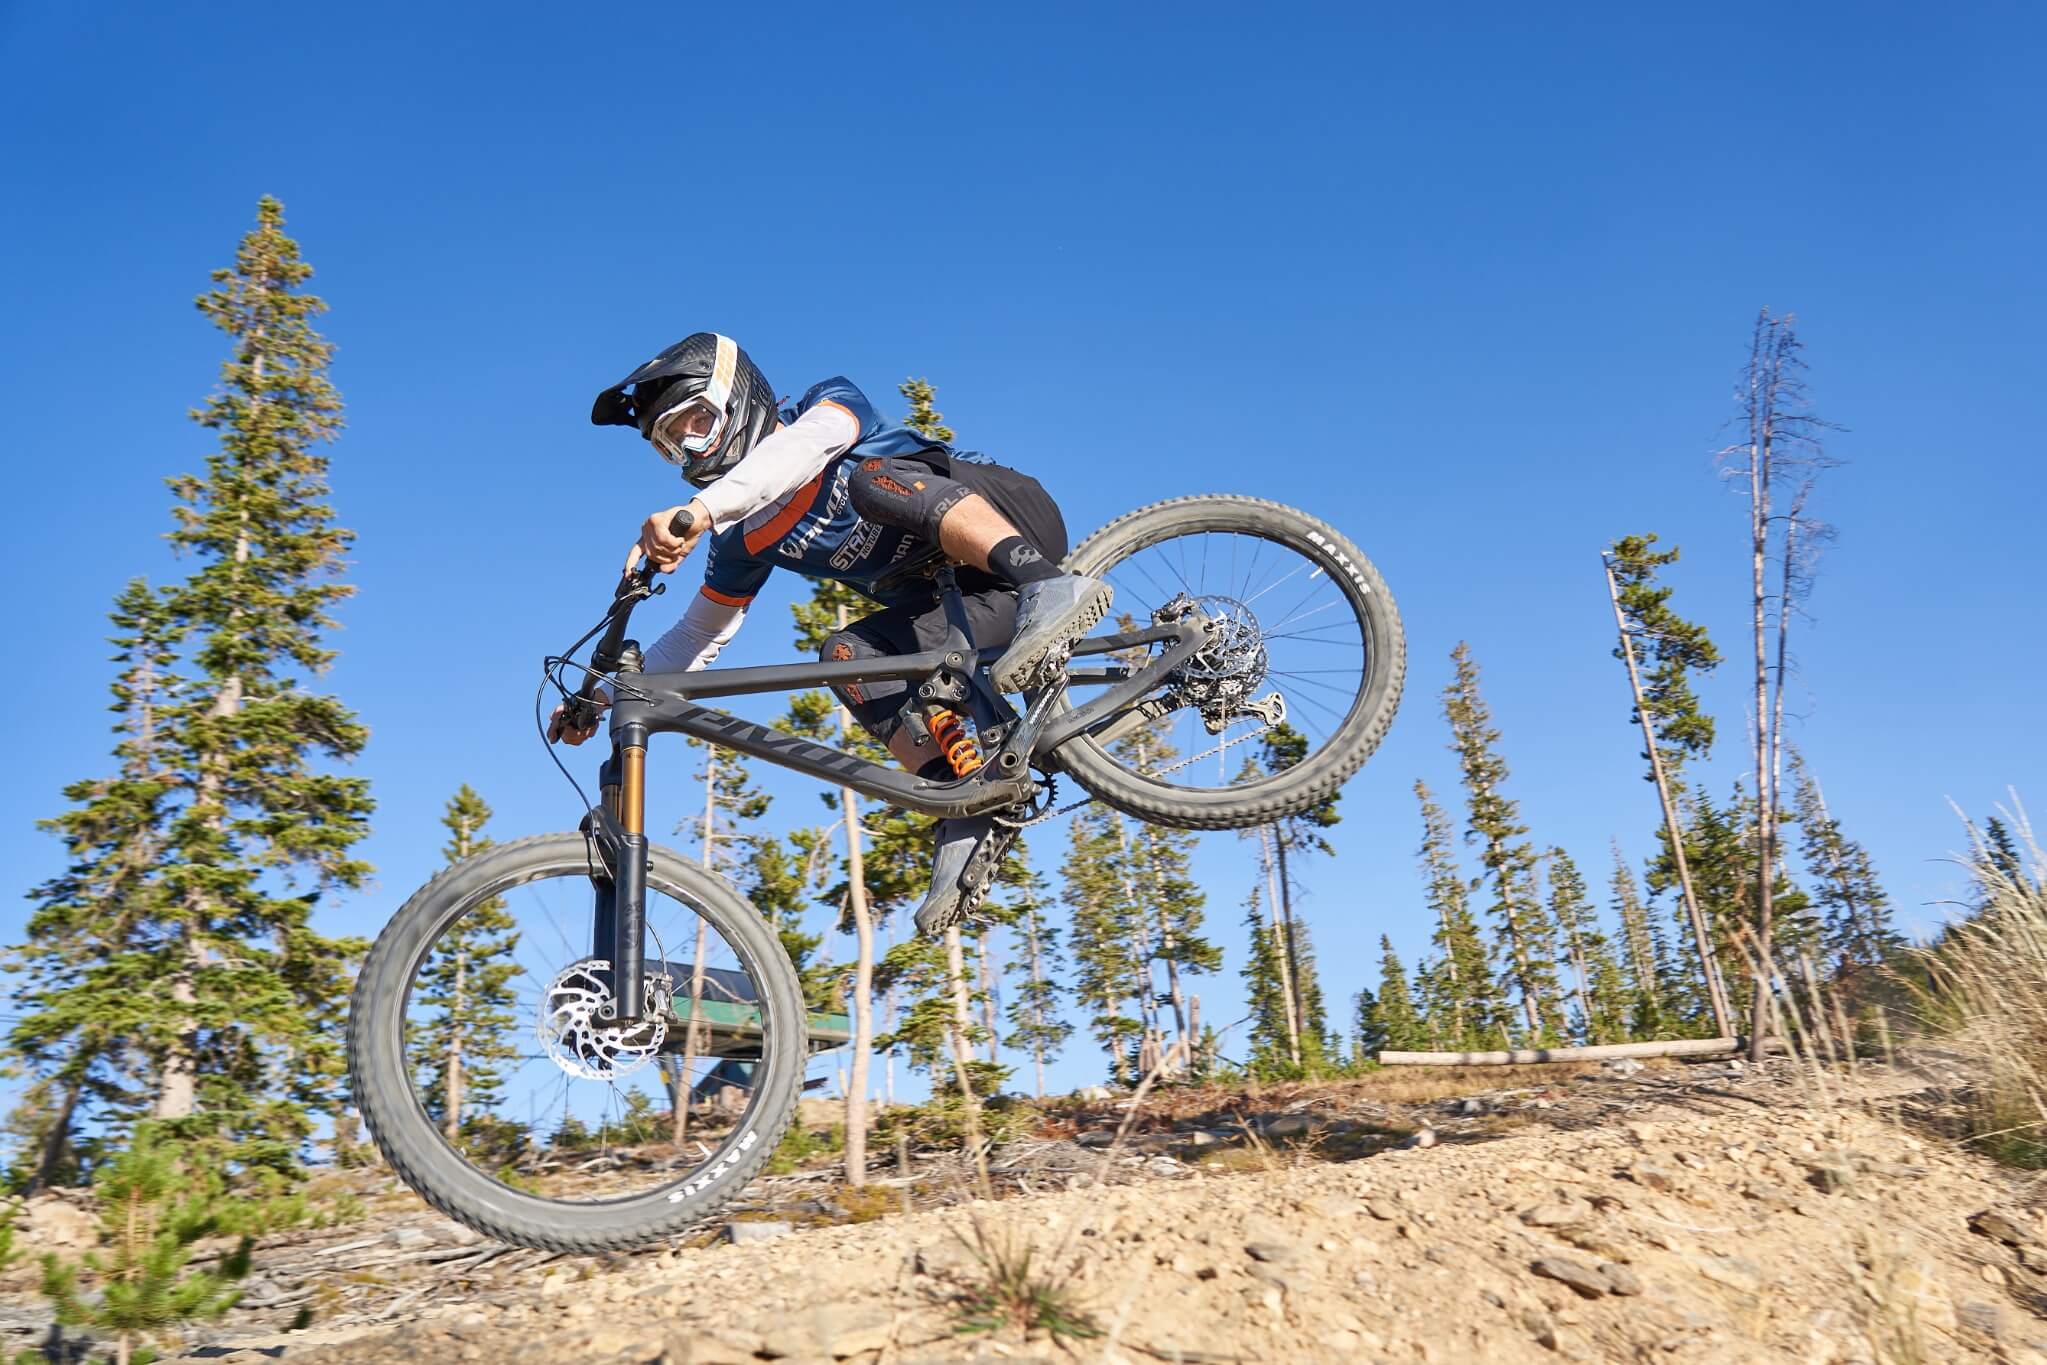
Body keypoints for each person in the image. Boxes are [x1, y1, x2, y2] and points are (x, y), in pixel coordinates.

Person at [551, 332, 1111, 934]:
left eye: (694, 421)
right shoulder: (741, 536)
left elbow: (793, 457)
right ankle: (963, 797)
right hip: (960, 610)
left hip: (1011, 526)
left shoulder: (825, 408)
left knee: (873, 482)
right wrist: (601, 696)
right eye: (669, 444)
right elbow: (695, 638)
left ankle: (1046, 585)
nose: (687, 449)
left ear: (735, 399)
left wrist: (702, 512)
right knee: (847, 657)